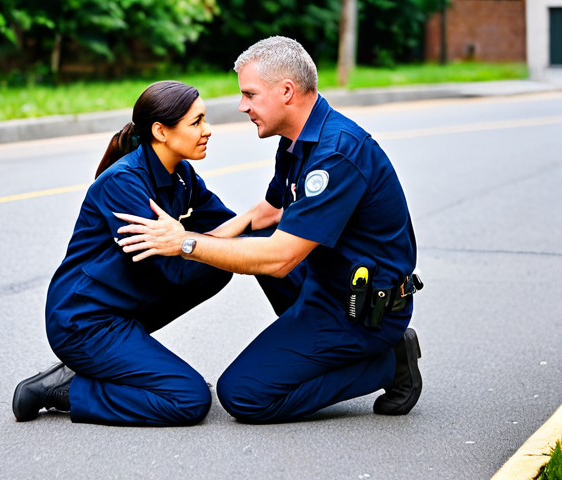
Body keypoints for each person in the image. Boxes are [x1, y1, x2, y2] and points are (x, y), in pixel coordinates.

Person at [115, 36, 424, 423]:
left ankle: (388, 363)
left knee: (243, 394)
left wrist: (185, 244)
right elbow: (267, 213)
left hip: (361, 312)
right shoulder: (296, 141)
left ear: (287, 92)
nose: (242, 105)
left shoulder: (337, 154)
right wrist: (220, 232)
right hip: (327, 285)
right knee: (258, 238)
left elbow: (280, 260)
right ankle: (306, 349)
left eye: (250, 94)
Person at [12, 81, 236, 426]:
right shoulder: (123, 182)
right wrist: (250, 220)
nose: (207, 131)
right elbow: (172, 269)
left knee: (219, 263)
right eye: (196, 122)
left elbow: (224, 229)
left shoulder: (181, 175)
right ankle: (65, 391)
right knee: (188, 399)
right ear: (160, 131)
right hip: (83, 321)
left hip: (121, 311)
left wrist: (262, 221)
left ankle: (122, 365)